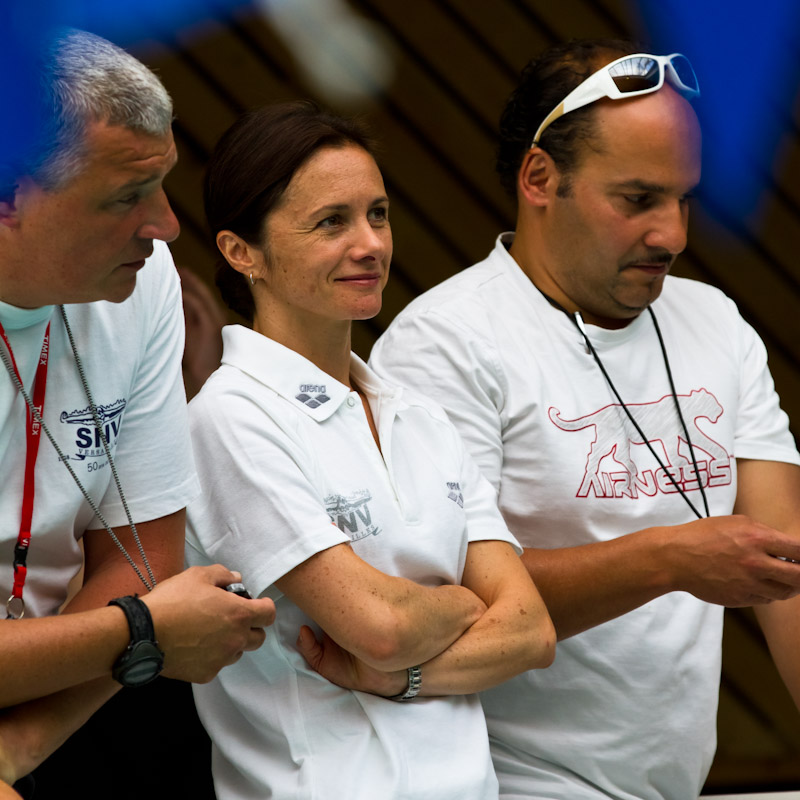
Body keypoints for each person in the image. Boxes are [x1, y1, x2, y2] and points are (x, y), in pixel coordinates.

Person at [370, 39, 800, 800]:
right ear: (540, 178)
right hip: (496, 780)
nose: (673, 235)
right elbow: (443, 602)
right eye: (637, 200)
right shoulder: (442, 343)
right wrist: (668, 559)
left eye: (684, 199)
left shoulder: (716, 321)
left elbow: (786, 569)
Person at [184, 100, 555, 800]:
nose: (371, 244)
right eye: (332, 222)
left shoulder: (422, 416)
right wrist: (461, 603)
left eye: (377, 214)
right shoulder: (230, 417)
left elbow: (532, 632)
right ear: (241, 252)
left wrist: (400, 674)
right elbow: (381, 629)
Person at [0, 28, 275, 794]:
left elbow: (141, 559)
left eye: (161, 183)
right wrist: (144, 630)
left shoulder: (145, 280)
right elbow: (156, 610)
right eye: (126, 197)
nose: (166, 225)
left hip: (65, 699)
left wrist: (17, 748)